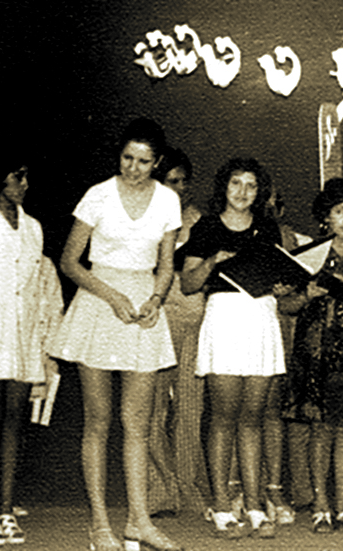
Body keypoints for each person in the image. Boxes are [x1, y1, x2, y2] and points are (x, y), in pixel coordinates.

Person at [49, 118, 183, 551]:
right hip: (98, 302)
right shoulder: (98, 195)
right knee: (98, 420)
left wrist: (156, 298)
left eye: (143, 161)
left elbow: (166, 265)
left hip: (143, 307)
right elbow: (69, 261)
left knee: (137, 424)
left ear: (156, 163)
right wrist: (110, 295)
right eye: (127, 158)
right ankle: (100, 525)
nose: (133, 168)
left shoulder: (168, 200)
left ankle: (139, 522)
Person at [181, 158, 290, 539]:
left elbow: (278, 275)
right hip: (225, 318)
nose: (243, 192)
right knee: (224, 417)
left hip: (261, 316)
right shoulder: (207, 227)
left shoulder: (268, 228)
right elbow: (188, 284)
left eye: (251, 185)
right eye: (236, 183)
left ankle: (256, 506)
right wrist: (213, 260)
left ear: (260, 192)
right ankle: (222, 506)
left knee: (253, 417)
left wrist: (282, 287)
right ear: (223, 187)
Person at [0, 158, 63, 545]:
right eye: (16, 176)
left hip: (23, 339)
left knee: (14, 424)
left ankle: (5, 509)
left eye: (26, 176)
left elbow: (35, 291)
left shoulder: (33, 227)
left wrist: (40, 344)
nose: (24, 183)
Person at [281, 178, 343, 533]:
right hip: (316, 350)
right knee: (320, 429)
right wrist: (306, 295)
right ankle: (320, 503)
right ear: (326, 216)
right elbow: (286, 305)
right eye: (340, 211)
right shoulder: (308, 256)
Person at [144, 147, 211, 518]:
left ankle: (187, 487)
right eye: (173, 181)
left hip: (194, 319)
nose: (181, 188)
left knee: (189, 409)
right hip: (157, 319)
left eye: (185, 182)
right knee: (153, 409)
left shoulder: (197, 219)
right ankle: (160, 488)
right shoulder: (144, 216)